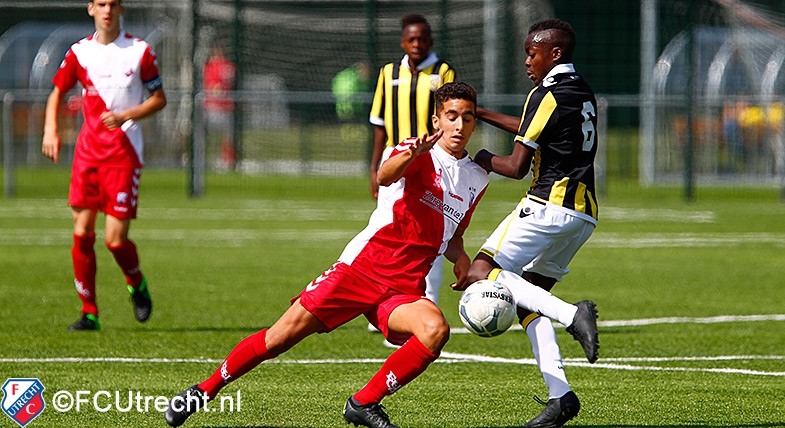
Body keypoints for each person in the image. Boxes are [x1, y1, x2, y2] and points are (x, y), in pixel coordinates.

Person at [163, 82, 596, 428]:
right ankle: (203, 390)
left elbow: (454, 231)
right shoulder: (413, 150)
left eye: (467, 117)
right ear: (436, 121)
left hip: (403, 286)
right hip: (360, 270)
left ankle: (364, 402)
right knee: (277, 340)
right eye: (451, 117)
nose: (460, 125)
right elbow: (384, 174)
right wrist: (413, 153)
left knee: (434, 330)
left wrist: (461, 260)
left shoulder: (477, 176)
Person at [464, 19, 600, 428]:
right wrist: (482, 112)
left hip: (546, 206)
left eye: (532, 53)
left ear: (554, 54)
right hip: (582, 214)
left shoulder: (546, 93)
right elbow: (534, 127)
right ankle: (561, 398)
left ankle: (571, 314)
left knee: (480, 271)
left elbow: (516, 167)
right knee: (526, 300)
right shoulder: (580, 90)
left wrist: (480, 158)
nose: (526, 61)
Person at [41, 0, 167, 331]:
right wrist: (50, 129)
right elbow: (58, 91)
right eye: (101, 4)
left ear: (120, 9)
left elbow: (159, 98)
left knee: (115, 239)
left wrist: (125, 115)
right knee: (81, 233)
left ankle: (137, 285)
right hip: (88, 154)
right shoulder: (80, 52)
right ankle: (89, 312)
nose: (107, 9)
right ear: (90, 9)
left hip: (124, 155)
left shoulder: (139, 51)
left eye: (112, 4)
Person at [368, 13, 455, 309]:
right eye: (411, 39)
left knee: (428, 230)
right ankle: (383, 298)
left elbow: (451, 116)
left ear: (430, 41)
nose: (417, 44)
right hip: (395, 158)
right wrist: (374, 168)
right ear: (403, 42)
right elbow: (379, 123)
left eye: (422, 39)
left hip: (430, 159)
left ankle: (425, 302)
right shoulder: (388, 72)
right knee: (385, 226)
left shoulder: (443, 71)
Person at [203, 43, 236, 169]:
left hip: (224, 108)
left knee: (227, 137)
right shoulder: (209, 67)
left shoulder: (226, 66)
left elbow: (219, 87)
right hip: (211, 108)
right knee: (207, 137)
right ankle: (204, 160)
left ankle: (226, 161)